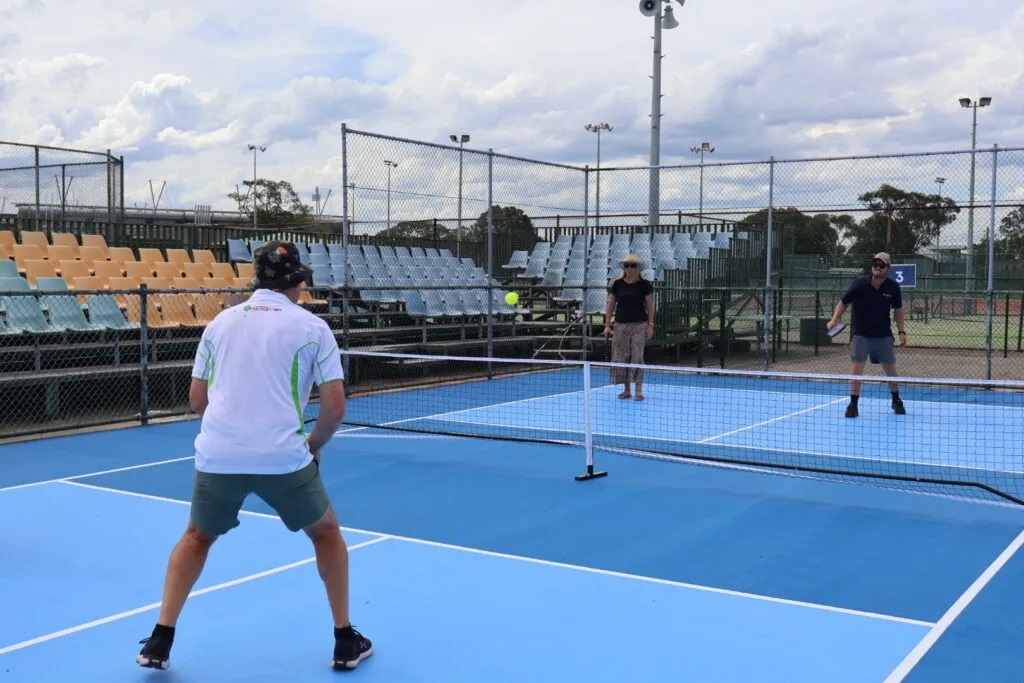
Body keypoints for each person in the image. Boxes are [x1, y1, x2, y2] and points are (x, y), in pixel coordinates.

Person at [136, 241, 372, 672]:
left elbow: (196, 399)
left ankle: (160, 639)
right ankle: (344, 639)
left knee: (196, 537)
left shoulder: (220, 323)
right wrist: (313, 444)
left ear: (257, 280)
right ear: (298, 283)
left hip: (218, 456)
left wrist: (229, 430)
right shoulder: (313, 327)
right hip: (285, 458)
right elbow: (335, 409)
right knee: (327, 533)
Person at [826, 251, 908, 418]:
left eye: (881, 265)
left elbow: (898, 310)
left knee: (891, 370)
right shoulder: (859, 284)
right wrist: (834, 319)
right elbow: (843, 302)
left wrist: (901, 332)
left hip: (883, 335)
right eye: (875, 265)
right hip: (861, 334)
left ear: (888, 269)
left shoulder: (893, 287)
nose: (877, 268)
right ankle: (853, 404)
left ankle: (896, 400)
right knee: (856, 370)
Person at [602, 253, 655, 401]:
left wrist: (650, 325)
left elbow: (650, 307)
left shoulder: (645, 285)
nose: (629, 268)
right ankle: (626, 390)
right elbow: (611, 304)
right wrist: (607, 325)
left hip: (639, 325)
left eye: (633, 266)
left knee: (637, 356)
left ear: (638, 268)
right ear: (623, 268)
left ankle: (638, 390)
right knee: (622, 357)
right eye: (627, 266)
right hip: (620, 325)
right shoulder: (617, 284)